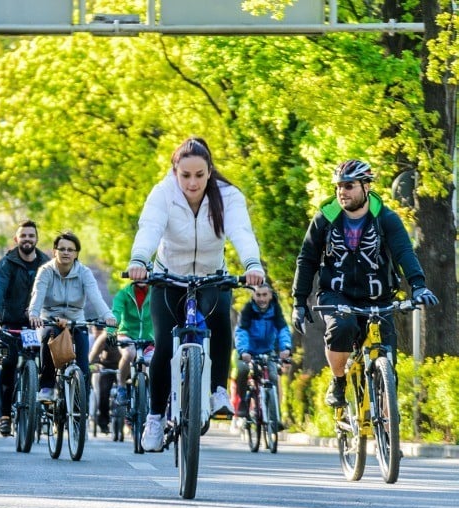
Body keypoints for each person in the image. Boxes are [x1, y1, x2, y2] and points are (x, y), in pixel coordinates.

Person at [127, 137, 265, 452]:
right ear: (175, 172)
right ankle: (156, 417)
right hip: (168, 276)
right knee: (163, 345)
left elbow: (241, 231)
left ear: (210, 172)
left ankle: (218, 389)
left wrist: (251, 263)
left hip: (210, 275)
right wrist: (138, 260)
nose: (193, 182)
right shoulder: (163, 194)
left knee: (219, 324)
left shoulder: (228, 196)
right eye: (185, 175)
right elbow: (149, 227)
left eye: (200, 175)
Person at [291, 159, 438, 407]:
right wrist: (298, 301)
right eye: (338, 186)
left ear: (366, 186)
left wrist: (418, 285)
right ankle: (338, 380)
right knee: (342, 328)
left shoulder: (385, 218)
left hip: (378, 297)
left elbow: (404, 252)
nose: (342, 191)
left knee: (388, 364)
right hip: (337, 295)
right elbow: (307, 260)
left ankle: (389, 434)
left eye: (349, 186)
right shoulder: (324, 219)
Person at [28, 231, 117, 403]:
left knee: (83, 365)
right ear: (55, 251)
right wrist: (34, 314)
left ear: (76, 253)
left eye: (70, 249)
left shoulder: (84, 273)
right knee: (48, 336)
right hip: (51, 318)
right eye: (62, 249)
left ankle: (80, 404)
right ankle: (47, 386)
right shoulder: (45, 271)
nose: (66, 252)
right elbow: (37, 295)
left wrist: (108, 316)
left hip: (76, 320)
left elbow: (96, 297)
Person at [0, 220, 50, 436]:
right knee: (9, 363)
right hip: (11, 323)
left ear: (36, 239)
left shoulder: (46, 263)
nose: (27, 240)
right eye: (23, 236)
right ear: (17, 239)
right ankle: (5, 415)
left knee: (41, 359)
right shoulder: (6, 263)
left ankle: (41, 403)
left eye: (31, 236)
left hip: (36, 323)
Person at [234, 283, 291, 420]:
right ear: (253, 296)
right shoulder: (247, 310)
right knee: (242, 370)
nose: (262, 299)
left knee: (272, 376)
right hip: (249, 351)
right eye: (258, 295)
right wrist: (243, 351)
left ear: (270, 295)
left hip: (267, 350)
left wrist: (286, 348)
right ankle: (242, 403)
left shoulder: (276, 310)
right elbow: (241, 332)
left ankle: (274, 417)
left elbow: (283, 330)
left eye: (265, 295)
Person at [111, 281, 155, 405]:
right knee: (129, 354)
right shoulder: (124, 294)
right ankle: (121, 386)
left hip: (149, 338)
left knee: (153, 362)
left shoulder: (155, 292)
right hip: (126, 335)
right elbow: (116, 314)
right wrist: (111, 331)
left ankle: (150, 397)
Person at [88, 324, 120, 435]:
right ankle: (103, 422)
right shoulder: (107, 337)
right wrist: (93, 364)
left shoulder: (131, 334)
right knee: (103, 393)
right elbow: (93, 355)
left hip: (125, 369)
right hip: (107, 367)